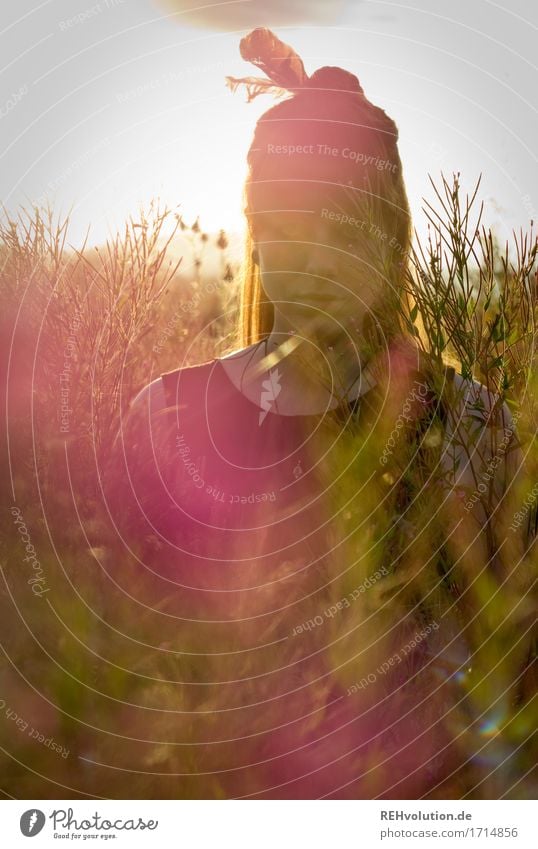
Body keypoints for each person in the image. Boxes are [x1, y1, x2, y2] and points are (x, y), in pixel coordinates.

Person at [104, 29, 529, 799]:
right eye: (287, 221)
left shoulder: (480, 429)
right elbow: (123, 681)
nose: (315, 258)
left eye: (345, 227)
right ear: (256, 231)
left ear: (392, 236)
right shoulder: (165, 420)